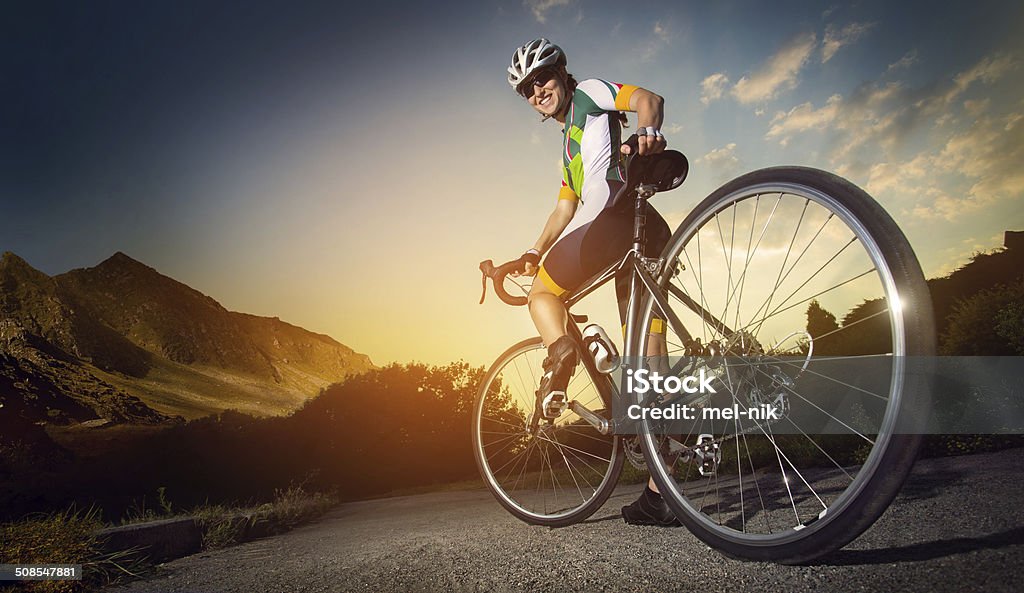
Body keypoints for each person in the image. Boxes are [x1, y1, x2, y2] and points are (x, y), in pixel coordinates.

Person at [505, 38, 680, 527]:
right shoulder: (570, 145)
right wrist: (535, 250)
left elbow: (650, 100)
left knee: (542, 294)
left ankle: (561, 357)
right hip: (644, 228)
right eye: (526, 89)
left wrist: (648, 132)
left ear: (561, 71)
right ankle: (660, 494)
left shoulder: (591, 94)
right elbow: (565, 206)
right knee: (650, 357)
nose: (536, 90)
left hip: (609, 226)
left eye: (542, 78)